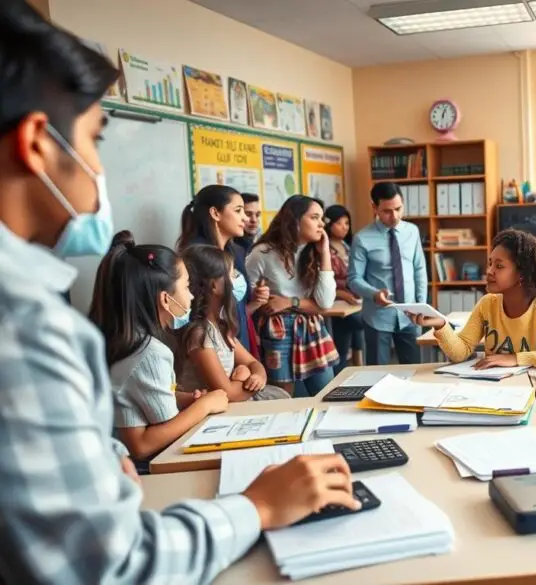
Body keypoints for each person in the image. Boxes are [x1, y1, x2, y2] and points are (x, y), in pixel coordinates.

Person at [0, 4, 358, 582]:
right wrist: (258, 506)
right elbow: (111, 564)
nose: (97, 168)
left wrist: (109, 455)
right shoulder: (23, 325)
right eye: (94, 139)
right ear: (38, 145)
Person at [92, 237, 231, 462]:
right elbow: (143, 445)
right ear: (166, 299)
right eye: (187, 287)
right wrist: (204, 406)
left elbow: (131, 399)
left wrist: (182, 399)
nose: (192, 295)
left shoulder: (123, 340)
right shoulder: (149, 352)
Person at [408, 229, 536, 370]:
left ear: (522, 274)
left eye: (499, 266)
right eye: (490, 263)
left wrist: (516, 359)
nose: (489, 271)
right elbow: (460, 353)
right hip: (495, 389)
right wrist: (440, 325)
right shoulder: (488, 304)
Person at [246, 195, 339, 397]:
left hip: (312, 327)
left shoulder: (315, 251)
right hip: (278, 329)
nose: (321, 224)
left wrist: (324, 254)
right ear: (295, 220)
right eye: (314, 217)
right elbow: (249, 299)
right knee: (282, 398)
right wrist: (260, 298)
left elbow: (325, 303)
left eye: (321, 218)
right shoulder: (262, 253)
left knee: (328, 394)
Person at [178, 245, 289, 401]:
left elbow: (252, 362)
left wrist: (257, 375)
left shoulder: (221, 327)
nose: (237, 279)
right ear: (214, 286)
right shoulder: (199, 335)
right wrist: (244, 378)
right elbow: (227, 394)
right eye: (231, 275)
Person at [177, 184, 269, 357]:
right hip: (212, 352)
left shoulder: (236, 251)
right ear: (215, 213)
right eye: (238, 210)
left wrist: (255, 301)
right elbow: (197, 313)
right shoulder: (198, 256)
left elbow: (235, 308)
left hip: (237, 346)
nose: (245, 218)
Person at [349, 182, 428, 365]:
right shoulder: (362, 238)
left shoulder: (412, 231)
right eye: (387, 211)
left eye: (398, 209)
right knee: (376, 376)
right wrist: (373, 293)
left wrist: (421, 304)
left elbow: (419, 269)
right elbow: (354, 279)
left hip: (410, 315)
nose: (394, 216)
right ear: (374, 207)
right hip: (378, 316)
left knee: (414, 371)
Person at [324, 204, 364, 368]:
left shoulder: (349, 246)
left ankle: (359, 365)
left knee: (357, 330)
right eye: (339, 223)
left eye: (347, 223)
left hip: (355, 300)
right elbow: (326, 281)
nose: (344, 227)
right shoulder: (324, 249)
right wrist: (342, 293)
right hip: (336, 302)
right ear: (329, 224)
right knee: (357, 325)